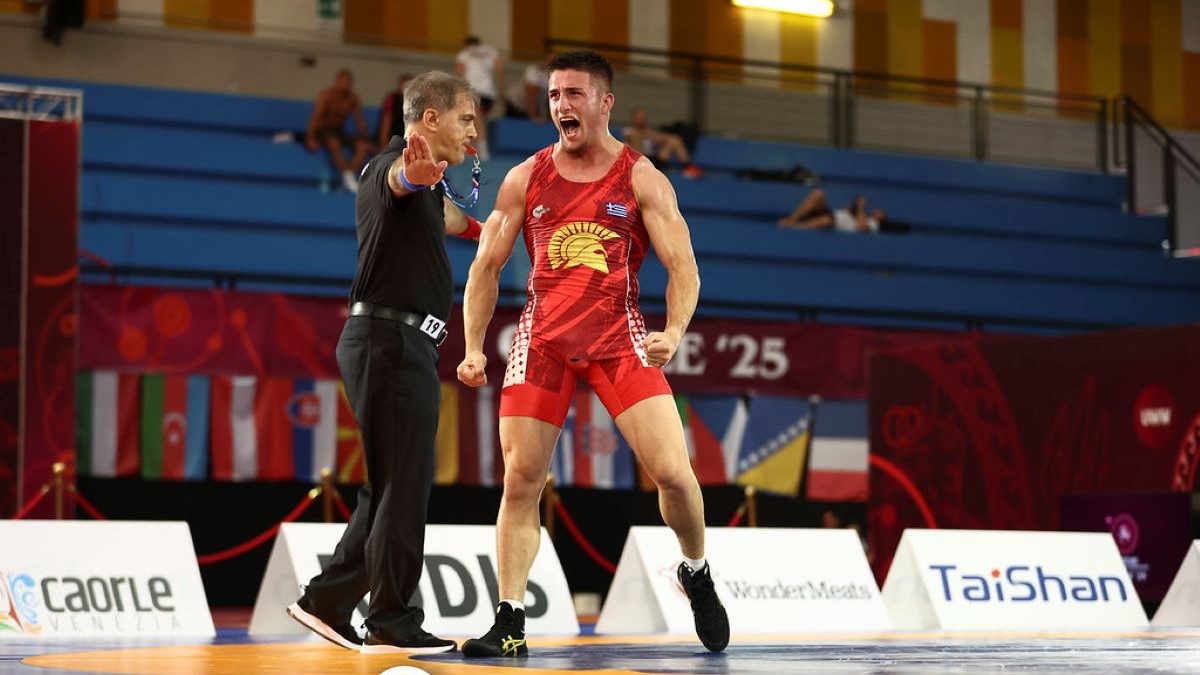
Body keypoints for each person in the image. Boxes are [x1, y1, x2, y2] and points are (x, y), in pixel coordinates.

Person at [456, 50, 729, 657]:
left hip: (617, 339)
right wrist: (473, 347)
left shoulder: (642, 178)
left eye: (574, 94)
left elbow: (683, 267)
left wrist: (673, 332)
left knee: (675, 475)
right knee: (521, 480)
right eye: (555, 95)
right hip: (543, 340)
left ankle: (695, 568)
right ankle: (509, 621)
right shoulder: (525, 177)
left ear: (605, 103)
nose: (561, 105)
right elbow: (485, 267)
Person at [287, 71, 483, 655]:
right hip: (389, 342)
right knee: (402, 487)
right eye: (466, 119)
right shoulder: (388, 168)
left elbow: (459, 221)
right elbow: (398, 180)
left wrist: (507, 225)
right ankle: (391, 619)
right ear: (430, 119)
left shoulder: (428, 193)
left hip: (400, 345)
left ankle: (327, 601)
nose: (473, 132)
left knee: (392, 485)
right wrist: (411, 176)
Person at [306, 69, 376, 193]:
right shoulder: (326, 95)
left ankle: (348, 175)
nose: (345, 86)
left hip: (339, 131)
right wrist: (310, 138)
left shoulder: (352, 98)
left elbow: (359, 120)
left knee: (363, 146)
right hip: (323, 130)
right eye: (343, 82)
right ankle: (348, 177)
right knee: (334, 143)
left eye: (348, 83)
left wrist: (366, 138)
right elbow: (315, 117)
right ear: (337, 82)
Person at [455, 35, 503, 160]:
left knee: (477, 121)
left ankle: (483, 150)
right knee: (479, 120)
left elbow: (459, 73)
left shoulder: (464, 54)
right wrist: (500, 90)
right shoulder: (491, 52)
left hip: (473, 90)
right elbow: (500, 70)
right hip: (489, 93)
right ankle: (476, 148)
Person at [621, 106, 703, 179]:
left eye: (644, 118)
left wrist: (664, 137)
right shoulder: (628, 131)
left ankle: (688, 167)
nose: (643, 120)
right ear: (633, 118)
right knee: (636, 136)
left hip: (653, 160)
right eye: (640, 118)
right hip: (638, 162)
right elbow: (633, 138)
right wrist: (646, 135)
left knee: (675, 140)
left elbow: (660, 137)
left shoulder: (648, 132)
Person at [778, 189, 886, 233]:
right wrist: (849, 210)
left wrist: (860, 207)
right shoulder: (863, 214)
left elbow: (861, 227)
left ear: (882, 219)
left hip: (834, 223)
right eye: (879, 210)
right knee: (818, 194)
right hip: (832, 214)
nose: (878, 211)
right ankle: (792, 219)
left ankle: (795, 227)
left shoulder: (874, 224)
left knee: (827, 220)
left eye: (881, 213)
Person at [505, 52, 552, 124]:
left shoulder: (555, 76)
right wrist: (533, 116)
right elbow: (531, 96)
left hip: (536, 105)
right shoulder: (533, 71)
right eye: (550, 61)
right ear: (544, 61)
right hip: (516, 104)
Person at [377, 73, 412, 149]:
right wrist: (384, 144)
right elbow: (386, 123)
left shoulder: (417, 103)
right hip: (391, 140)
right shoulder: (392, 100)